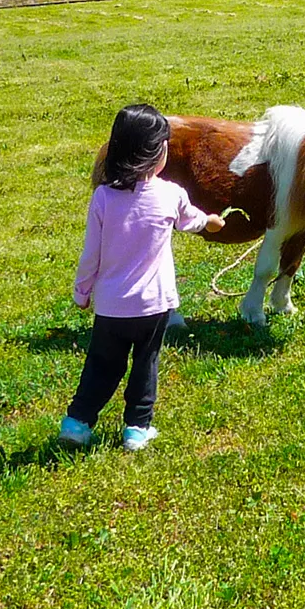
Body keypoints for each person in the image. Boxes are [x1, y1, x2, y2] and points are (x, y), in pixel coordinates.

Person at [61, 103, 231, 453]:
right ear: (158, 154)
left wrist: (82, 293)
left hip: (110, 307)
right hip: (154, 306)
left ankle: (77, 422)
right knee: (144, 366)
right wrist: (214, 222)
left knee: (101, 364)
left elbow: (90, 253)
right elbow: (194, 221)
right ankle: (137, 429)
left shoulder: (103, 198)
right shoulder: (171, 194)